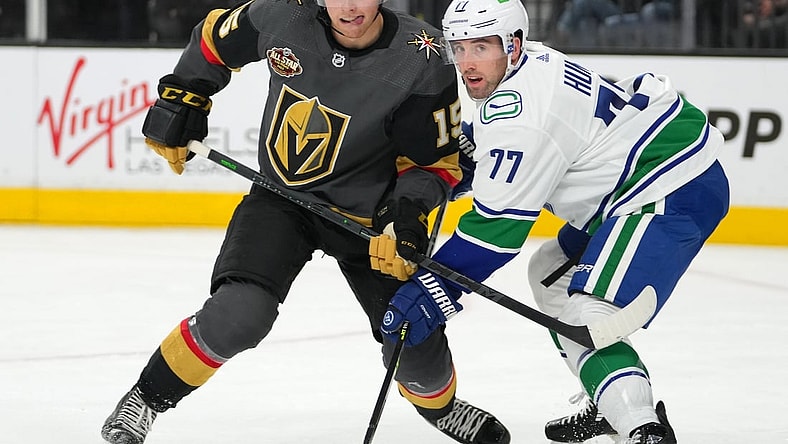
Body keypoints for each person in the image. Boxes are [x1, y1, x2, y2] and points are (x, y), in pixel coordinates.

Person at [100, 1, 511, 443]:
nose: (350, 7)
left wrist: (405, 219)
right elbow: (214, 39)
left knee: (413, 336)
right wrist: (183, 96)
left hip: (372, 219)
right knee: (239, 314)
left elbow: (430, 163)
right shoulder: (283, 16)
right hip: (282, 200)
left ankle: (442, 408)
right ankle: (145, 399)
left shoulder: (423, 57)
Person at [370, 0, 730, 443]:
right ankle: (610, 398)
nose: (466, 63)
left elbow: (496, 233)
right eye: (459, 48)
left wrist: (432, 291)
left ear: (513, 44)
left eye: (480, 47)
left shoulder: (523, 116)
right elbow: (500, 145)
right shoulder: (527, 64)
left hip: (668, 186)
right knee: (552, 274)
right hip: (634, 184)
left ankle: (641, 429)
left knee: (588, 312)